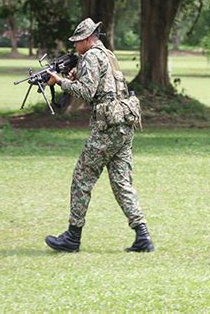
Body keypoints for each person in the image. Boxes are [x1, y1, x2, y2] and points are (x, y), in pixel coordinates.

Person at [44, 18, 154, 253]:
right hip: (124, 124)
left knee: (82, 177)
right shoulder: (108, 55)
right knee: (122, 182)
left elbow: (86, 92)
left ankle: (72, 237)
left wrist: (60, 81)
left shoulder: (92, 57)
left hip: (108, 128)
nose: (75, 47)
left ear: (86, 39)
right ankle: (142, 236)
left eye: (77, 42)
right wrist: (73, 76)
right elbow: (102, 86)